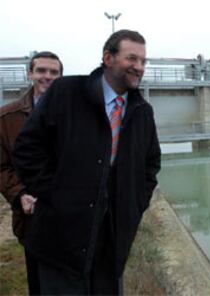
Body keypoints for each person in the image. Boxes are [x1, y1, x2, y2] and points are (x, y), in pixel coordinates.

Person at [12, 29, 161, 295]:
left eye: (143, 61)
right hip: (61, 239)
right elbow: (26, 150)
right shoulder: (66, 93)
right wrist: (54, 195)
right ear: (108, 57)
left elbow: (151, 166)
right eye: (131, 58)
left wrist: (136, 204)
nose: (139, 67)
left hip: (112, 242)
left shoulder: (142, 112)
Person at [0, 51, 63, 295]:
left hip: (71, 217)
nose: (47, 77)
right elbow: (2, 166)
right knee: (39, 283)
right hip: (32, 217)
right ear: (30, 74)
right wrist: (20, 194)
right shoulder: (7, 118)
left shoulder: (78, 115)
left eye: (54, 72)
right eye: (41, 71)